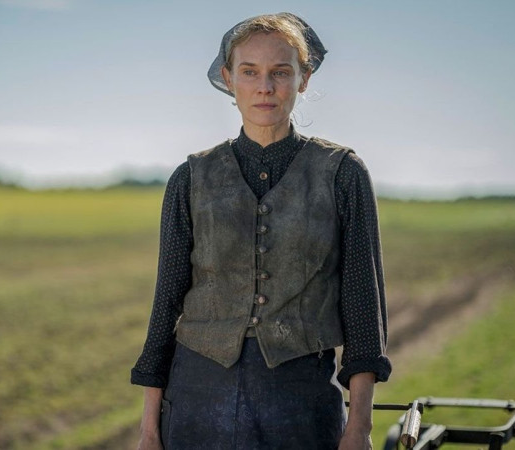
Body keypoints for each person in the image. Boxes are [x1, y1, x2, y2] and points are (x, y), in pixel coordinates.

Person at [131, 12, 391, 449]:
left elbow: (364, 307)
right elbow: (167, 303)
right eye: (250, 72)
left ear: (303, 79)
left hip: (299, 405)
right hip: (197, 401)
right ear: (229, 79)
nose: (264, 87)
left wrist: (358, 428)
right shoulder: (191, 177)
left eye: (280, 72)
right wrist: (149, 430)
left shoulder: (342, 174)